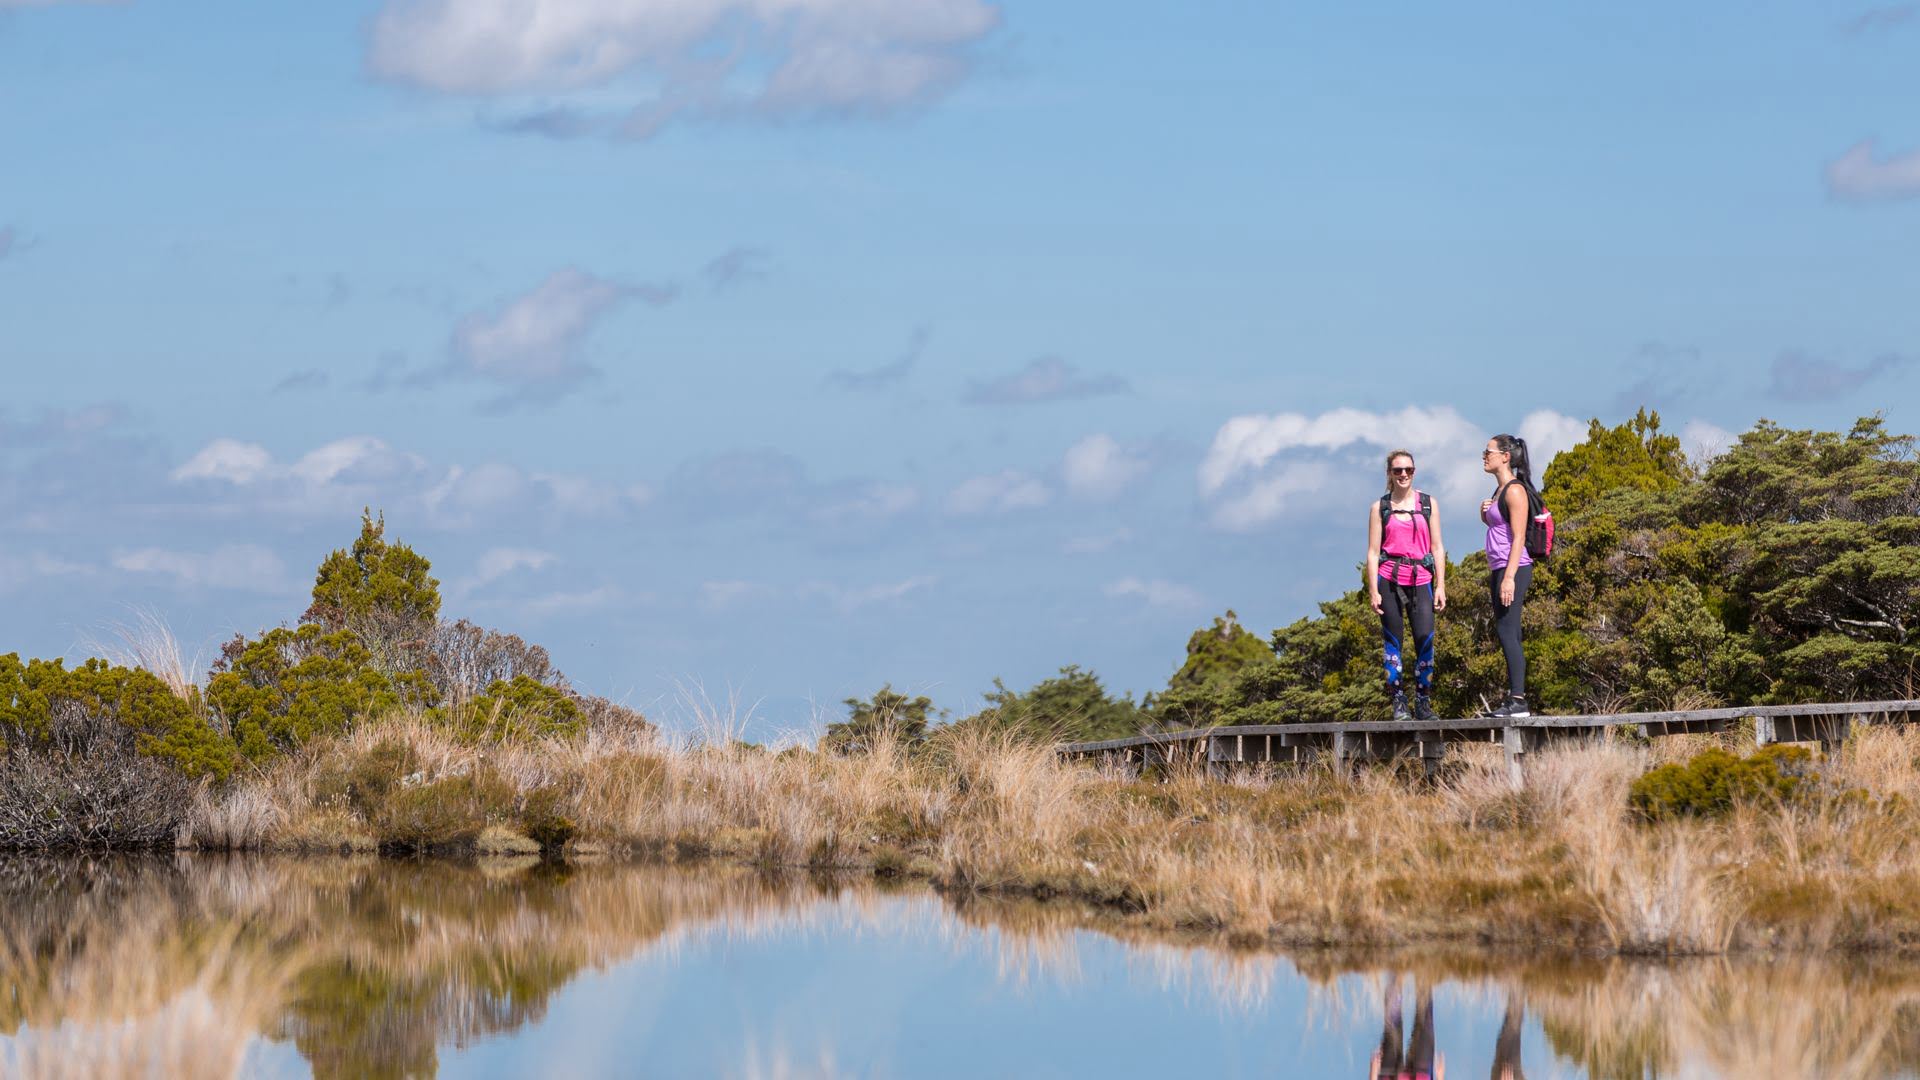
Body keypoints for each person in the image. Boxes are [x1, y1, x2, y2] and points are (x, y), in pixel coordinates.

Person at [1367, 450, 1447, 722]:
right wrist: (1373, 590)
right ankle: (1399, 701)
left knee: (1425, 639)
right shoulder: (1380, 508)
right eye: (1398, 470)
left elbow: (1437, 547)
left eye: (1408, 470)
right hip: (1389, 579)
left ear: (1414, 472)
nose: (1403, 475)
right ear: (1389, 473)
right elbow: (1373, 552)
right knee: (1393, 641)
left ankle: (1423, 701)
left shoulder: (1428, 504)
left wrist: (1440, 585)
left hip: (1421, 578)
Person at [1481, 434, 1535, 718]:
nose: (1484, 456)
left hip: (1513, 567)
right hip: (1499, 567)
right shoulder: (1499, 491)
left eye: (1488, 451)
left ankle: (1518, 701)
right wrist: (1486, 514)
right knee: (1508, 631)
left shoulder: (1514, 491)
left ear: (1505, 456)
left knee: (1507, 631)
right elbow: (1500, 529)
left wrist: (1510, 577)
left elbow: (1518, 537)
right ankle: (1515, 699)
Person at [1369, 979, 1444, 1080]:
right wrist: (1440, 1077)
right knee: (1426, 1018)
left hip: (1389, 1075)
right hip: (1422, 1075)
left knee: (1392, 1023)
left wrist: (1373, 1072)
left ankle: (1396, 973)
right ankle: (1423, 973)